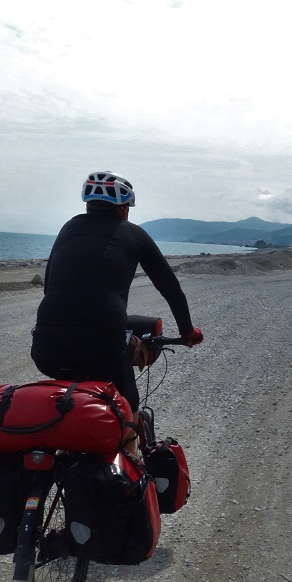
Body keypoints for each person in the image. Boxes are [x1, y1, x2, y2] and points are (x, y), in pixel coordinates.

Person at [31, 170, 203, 433]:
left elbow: (49, 286)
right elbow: (170, 288)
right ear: (124, 209)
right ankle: (127, 447)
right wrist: (187, 331)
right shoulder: (133, 233)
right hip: (103, 350)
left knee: (63, 405)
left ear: (88, 206)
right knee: (127, 413)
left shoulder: (68, 228)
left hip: (46, 349)